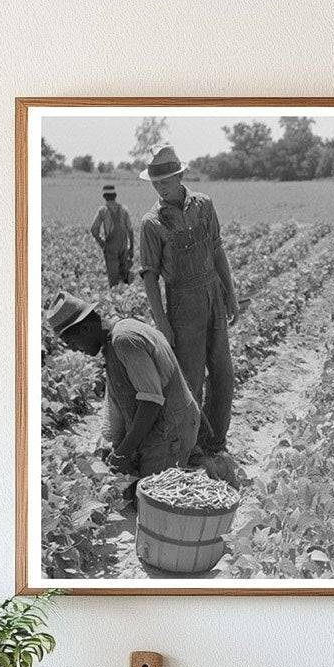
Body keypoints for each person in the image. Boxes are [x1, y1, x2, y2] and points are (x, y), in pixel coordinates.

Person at [139, 144, 241, 454]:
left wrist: (230, 293)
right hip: (182, 304)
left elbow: (217, 250)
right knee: (191, 380)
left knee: (223, 373)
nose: (161, 186)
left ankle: (216, 440)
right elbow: (149, 277)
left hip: (212, 294)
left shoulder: (204, 205)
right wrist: (163, 323)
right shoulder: (151, 223)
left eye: (167, 180)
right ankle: (192, 446)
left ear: (181, 175)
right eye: (156, 182)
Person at [46, 290, 199, 477]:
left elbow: (151, 402)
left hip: (171, 432)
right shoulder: (113, 342)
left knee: (148, 500)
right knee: (127, 486)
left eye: (71, 343)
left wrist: (124, 451)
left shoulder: (124, 340)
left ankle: (213, 467)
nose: (75, 350)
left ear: (85, 329)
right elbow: (117, 402)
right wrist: (113, 445)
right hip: (159, 427)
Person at [90, 184, 134, 287]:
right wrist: (131, 248)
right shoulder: (124, 209)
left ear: (104, 197)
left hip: (111, 248)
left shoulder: (103, 210)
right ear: (115, 195)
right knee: (125, 279)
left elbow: (94, 229)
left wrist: (102, 243)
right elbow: (130, 231)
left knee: (114, 281)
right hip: (124, 247)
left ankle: (115, 298)